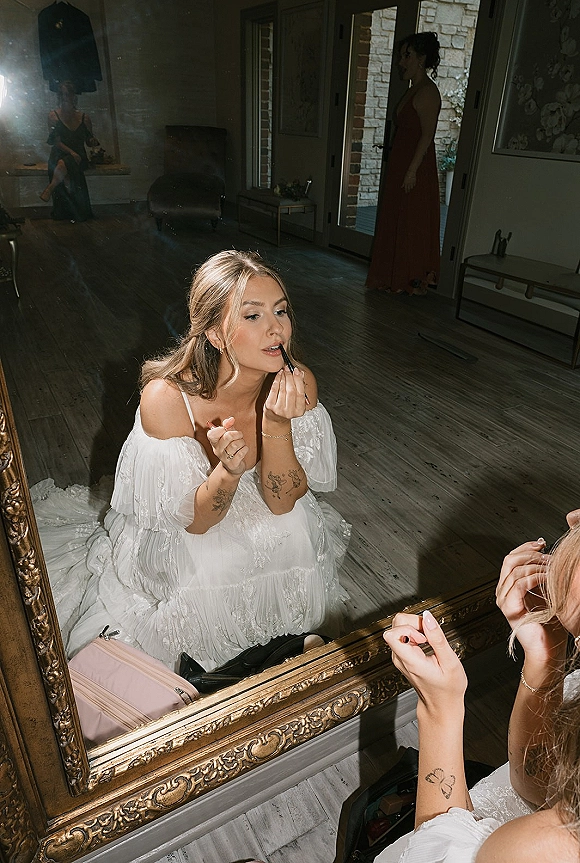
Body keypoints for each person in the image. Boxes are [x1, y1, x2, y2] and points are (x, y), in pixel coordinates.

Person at [35, 250, 350, 672]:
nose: (277, 329)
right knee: (205, 566)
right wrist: (229, 471)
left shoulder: (297, 383)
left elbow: (281, 501)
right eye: (253, 316)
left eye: (281, 311)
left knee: (294, 532)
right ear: (217, 335)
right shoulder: (167, 399)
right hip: (196, 509)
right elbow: (196, 523)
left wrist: (276, 422)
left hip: (265, 499)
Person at [378, 509, 580, 862]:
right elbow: (541, 787)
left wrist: (439, 711)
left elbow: (433, 852)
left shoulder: (541, 846)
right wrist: (546, 654)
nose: (574, 517)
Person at [365, 32, 441, 295]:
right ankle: (393, 277)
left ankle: (412, 281)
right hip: (402, 163)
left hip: (416, 168)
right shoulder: (414, 90)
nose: (401, 62)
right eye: (401, 56)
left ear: (421, 59)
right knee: (397, 218)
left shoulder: (429, 92)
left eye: (406, 56)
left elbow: (427, 136)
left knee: (412, 221)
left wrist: (411, 171)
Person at [39, 80, 99, 221]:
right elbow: (56, 142)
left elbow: (89, 141)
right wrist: (71, 153)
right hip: (61, 153)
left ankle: (50, 188)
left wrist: (93, 142)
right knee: (63, 162)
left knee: (66, 162)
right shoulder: (53, 115)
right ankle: (73, 209)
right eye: (63, 94)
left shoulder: (84, 117)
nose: (66, 97)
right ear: (59, 96)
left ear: (74, 95)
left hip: (79, 154)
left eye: (68, 93)